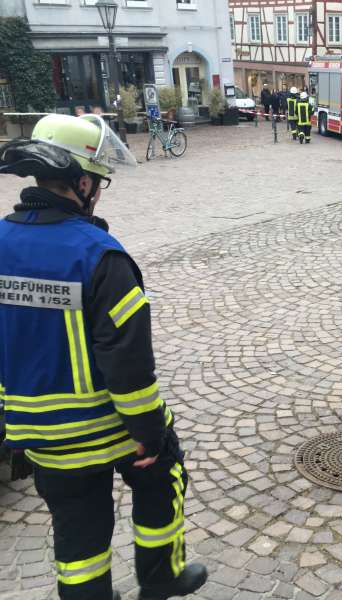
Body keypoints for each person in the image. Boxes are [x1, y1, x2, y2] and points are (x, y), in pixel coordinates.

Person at [0, 114, 207, 600]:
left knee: (77, 529)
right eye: (99, 183)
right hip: (106, 427)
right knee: (163, 474)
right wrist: (150, 434)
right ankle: (160, 578)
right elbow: (129, 368)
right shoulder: (100, 256)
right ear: (83, 181)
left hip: (37, 435)